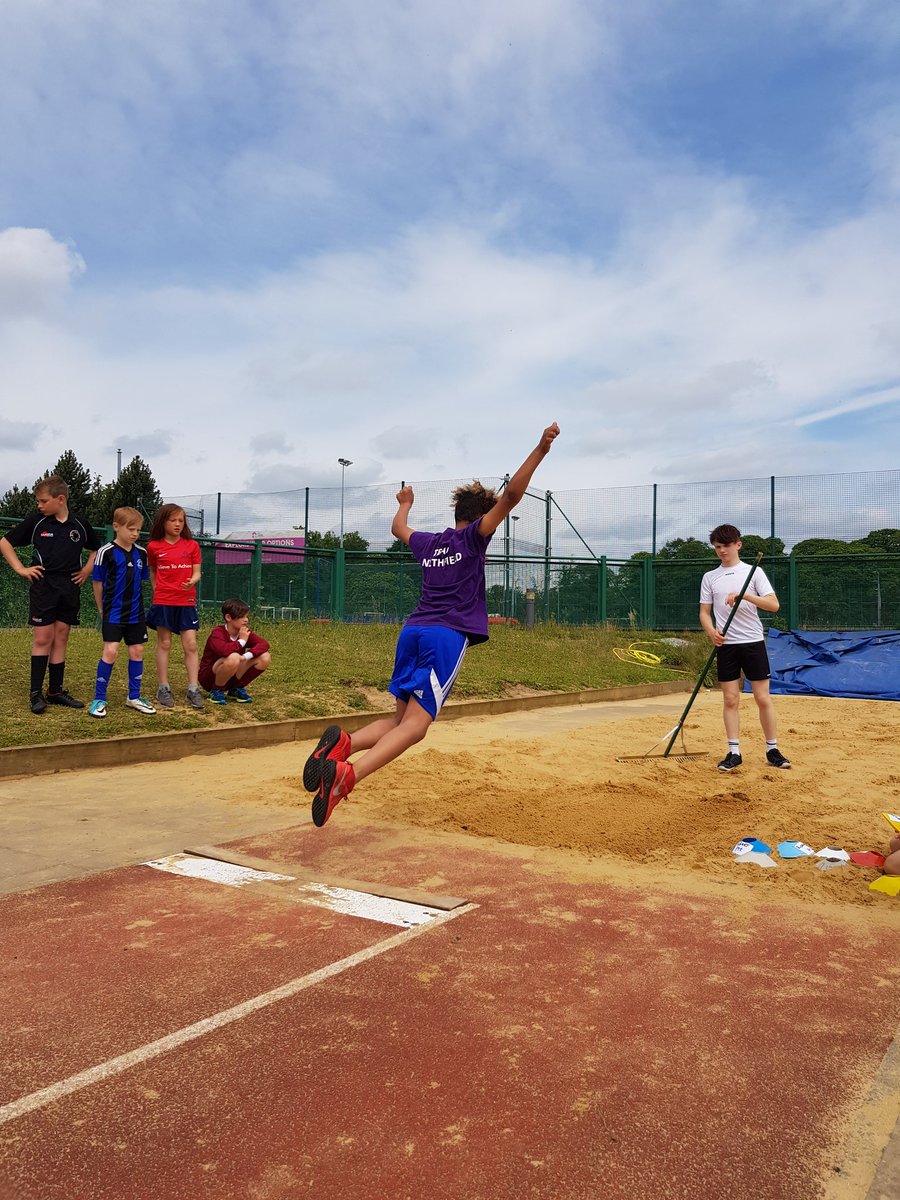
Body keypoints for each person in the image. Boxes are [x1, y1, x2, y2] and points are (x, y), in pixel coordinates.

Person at [303, 421, 561, 827]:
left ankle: (341, 747)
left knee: (397, 720)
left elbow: (397, 529)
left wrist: (405, 501)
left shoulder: (430, 542)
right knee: (417, 728)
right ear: (480, 518)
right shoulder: (474, 538)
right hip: (445, 635)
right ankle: (345, 776)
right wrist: (541, 449)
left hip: (412, 631)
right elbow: (512, 496)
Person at [0, 475, 100, 713]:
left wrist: (86, 569)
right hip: (44, 586)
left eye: (43, 501)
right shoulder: (37, 522)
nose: (39, 505)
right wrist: (20, 569)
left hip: (69, 587)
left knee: (62, 636)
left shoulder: (79, 525)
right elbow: (5, 542)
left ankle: (55, 691)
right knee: (43, 638)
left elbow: (96, 549)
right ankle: (35, 694)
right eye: (38, 501)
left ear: (60, 499)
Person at [699, 523, 791, 772]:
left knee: (762, 698)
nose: (721, 551)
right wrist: (711, 633)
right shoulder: (710, 577)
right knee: (730, 699)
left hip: (752, 643)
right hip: (727, 645)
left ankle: (772, 749)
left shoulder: (754, 573)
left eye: (726, 546)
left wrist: (745, 596)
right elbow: (704, 612)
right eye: (717, 547)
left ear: (738, 545)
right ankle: (734, 752)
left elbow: (774, 605)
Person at [89, 507, 156, 717]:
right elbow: (97, 583)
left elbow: (142, 580)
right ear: (116, 527)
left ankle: (134, 697)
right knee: (110, 651)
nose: (135, 534)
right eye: (131, 529)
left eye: (138, 530)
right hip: (113, 613)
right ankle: (99, 698)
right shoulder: (105, 552)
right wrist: (101, 608)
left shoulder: (141, 553)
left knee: (137, 651)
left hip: (136, 613)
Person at [146, 503, 204, 709]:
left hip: (186, 601)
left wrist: (192, 581)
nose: (178, 524)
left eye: (181, 520)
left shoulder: (192, 546)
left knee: (191, 645)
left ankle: (193, 689)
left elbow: (197, 572)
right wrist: (157, 590)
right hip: (163, 601)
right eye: (173, 520)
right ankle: (163, 687)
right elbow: (152, 572)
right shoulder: (153, 546)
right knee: (164, 644)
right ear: (163, 522)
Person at [198, 598, 271, 704]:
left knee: (265, 657)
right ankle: (216, 691)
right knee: (234, 657)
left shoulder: (243, 632)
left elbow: (264, 644)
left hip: (232, 670)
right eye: (242, 617)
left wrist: (245, 656)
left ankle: (235, 688)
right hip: (209, 677)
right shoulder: (218, 633)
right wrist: (241, 641)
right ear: (228, 617)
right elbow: (223, 651)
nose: (246, 620)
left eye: (246, 616)